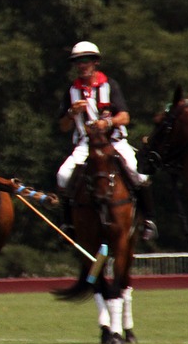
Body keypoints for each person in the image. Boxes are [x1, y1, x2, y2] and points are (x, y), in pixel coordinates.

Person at [55, 40, 157, 241]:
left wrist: (107, 123)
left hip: (115, 142)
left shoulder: (110, 85)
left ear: (95, 62)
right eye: (78, 61)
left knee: (140, 174)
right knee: (63, 176)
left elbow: (125, 117)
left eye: (86, 60)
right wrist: (70, 112)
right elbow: (63, 126)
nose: (82, 65)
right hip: (85, 144)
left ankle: (148, 221)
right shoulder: (71, 91)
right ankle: (68, 223)